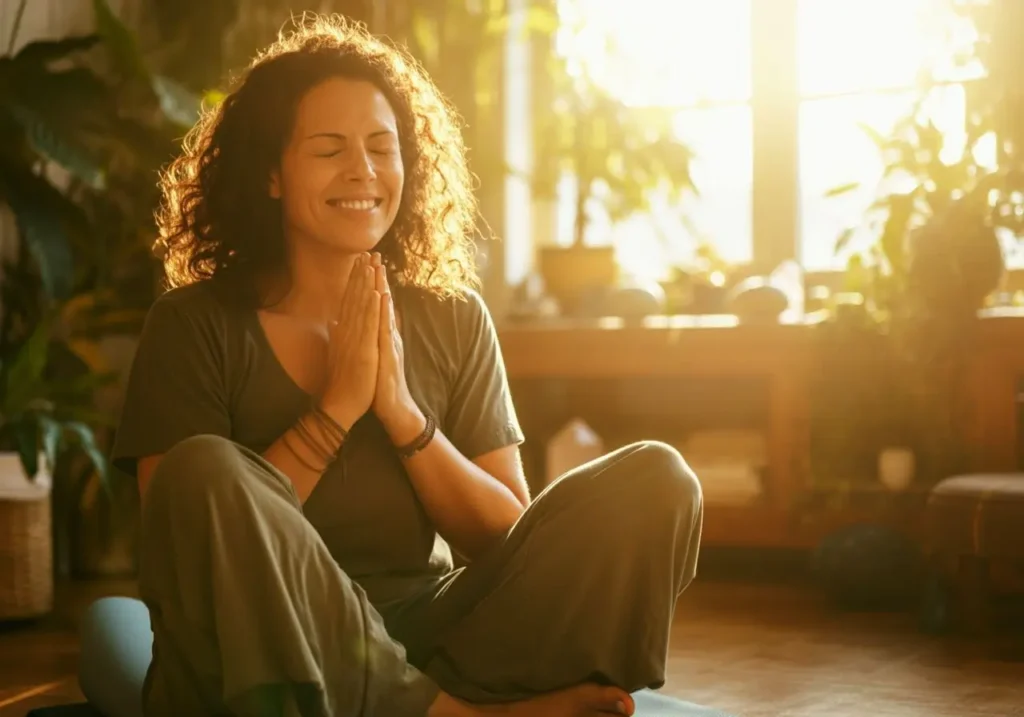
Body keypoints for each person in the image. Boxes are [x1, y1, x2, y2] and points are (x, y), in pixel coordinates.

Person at [111, 12, 704, 717]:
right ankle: (452, 714)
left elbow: (500, 536)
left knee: (656, 478)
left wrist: (404, 415)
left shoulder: (454, 316)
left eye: (380, 147)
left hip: (437, 631)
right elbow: (186, 541)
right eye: (329, 150)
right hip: (268, 643)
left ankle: (437, 698)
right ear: (269, 173)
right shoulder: (192, 324)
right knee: (203, 467)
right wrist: (335, 410)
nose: (362, 170)